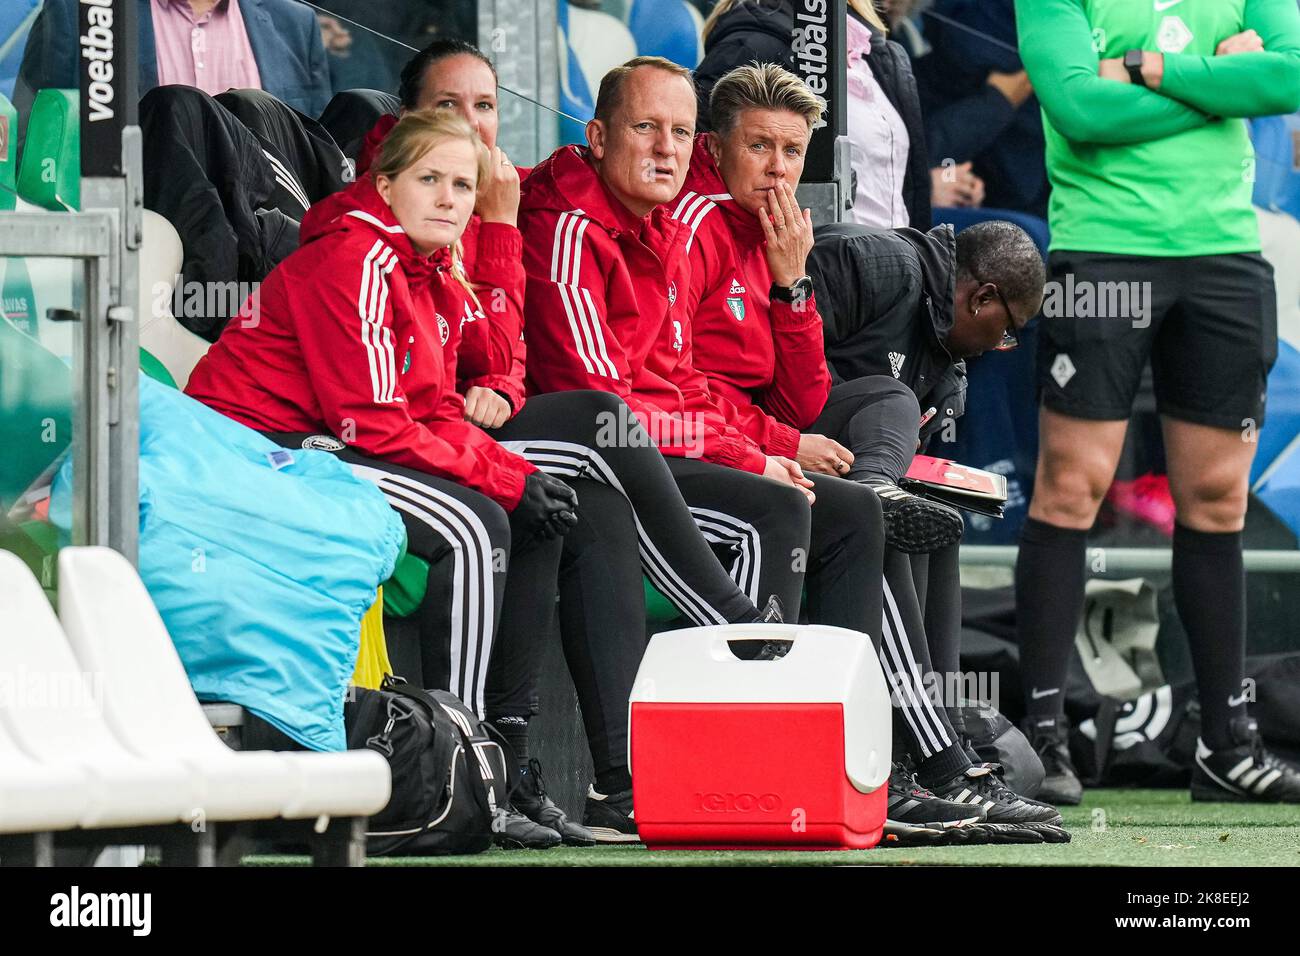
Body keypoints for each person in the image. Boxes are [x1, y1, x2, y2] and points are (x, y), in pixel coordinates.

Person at [351, 40, 784, 845]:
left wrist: (500, 378)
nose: (474, 131)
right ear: (403, 130)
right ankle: (471, 765)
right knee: (577, 441)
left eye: (487, 108)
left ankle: (571, 773)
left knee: (577, 505)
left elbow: (502, 350)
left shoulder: (477, 206)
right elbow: (380, 409)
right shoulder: (374, 232)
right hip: (349, 447)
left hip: (472, 425)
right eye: (450, 108)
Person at [185, 110, 596, 848]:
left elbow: (433, 409)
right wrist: (498, 482)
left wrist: (512, 472)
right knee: (473, 527)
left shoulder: (432, 271)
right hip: (246, 454)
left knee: (535, 511)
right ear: (385, 185)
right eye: (429, 180)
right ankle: (462, 771)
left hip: (315, 439)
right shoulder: (358, 259)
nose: (448, 198)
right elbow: (368, 424)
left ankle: (507, 756)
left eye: (463, 185)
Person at [679, 62, 1063, 843]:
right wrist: (779, 438)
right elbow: (725, 388)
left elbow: (794, 380)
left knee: (934, 516)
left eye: (793, 151)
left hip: (794, 454)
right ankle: (935, 760)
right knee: (879, 453)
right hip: (729, 457)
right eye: (762, 146)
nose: (781, 168)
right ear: (715, 149)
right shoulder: (864, 259)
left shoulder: (939, 363)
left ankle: (940, 743)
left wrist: (788, 296)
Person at [1014, 0, 1300, 805]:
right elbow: (1076, 106)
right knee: (1071, 489)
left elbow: (1290, 74)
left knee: (1216, 499)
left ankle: (1224, 743)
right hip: (1102, 247)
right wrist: (1222, 83)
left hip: (1224, 256)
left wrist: (1147, 69)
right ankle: (1044, 737)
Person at [15, 0, 332, 147]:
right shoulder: (80, 12)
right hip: (134, 253)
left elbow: (322, 153)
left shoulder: (295, 25)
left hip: (267, 261)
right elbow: (29, 146)